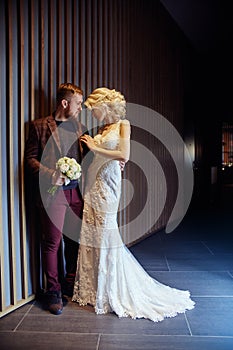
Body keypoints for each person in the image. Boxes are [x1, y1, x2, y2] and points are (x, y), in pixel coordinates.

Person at [72, 87, 195, 322]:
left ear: (105, 106)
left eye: (94, 109)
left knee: (107, 234)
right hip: (94, 183)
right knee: (92, 234)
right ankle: (93, 290)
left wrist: (93, 147)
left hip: (109, 186)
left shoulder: (122, 124)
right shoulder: (102, 129)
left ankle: (113, 290)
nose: (93, 114)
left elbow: (123, 155)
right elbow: (103, 156)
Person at [25, 83, 90, 315]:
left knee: (74, 242)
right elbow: (30, 160)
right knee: (52, 243)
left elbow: (90, 160)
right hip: (52, 194)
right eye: (78, 103)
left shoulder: (81, 128)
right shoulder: (39, 126)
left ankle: (68, 286)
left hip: (76, 195)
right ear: (65, 103)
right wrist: (51, 174)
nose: (80, 108)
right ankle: (52, 292)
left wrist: (116, 162)